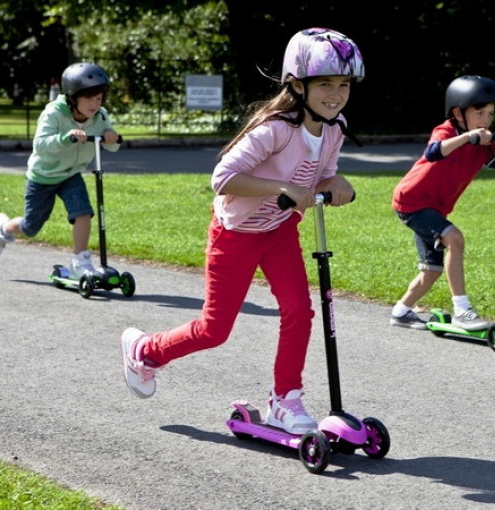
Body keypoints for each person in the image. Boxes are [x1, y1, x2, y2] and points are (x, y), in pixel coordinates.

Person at [120, 27, 363, 434]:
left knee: (300, 310)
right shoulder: (275, 130)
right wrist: (279, 188)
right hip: (235, 233)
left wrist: (334, 184)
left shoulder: (335, 128)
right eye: (325, 83)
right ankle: (146, 350)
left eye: (343, 84)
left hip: (280, 230)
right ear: (297, 84)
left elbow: (318, 179)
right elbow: (223, 177)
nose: (336, 93)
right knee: (214, 330)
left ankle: (285, 399)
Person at [390, 75, 495, 331]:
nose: (486, 120)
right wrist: (467, 137)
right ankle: (462, 310)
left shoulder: (483, 144)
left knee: (432, 269)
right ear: (458, 113)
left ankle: (401, 312)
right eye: (480, 113)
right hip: (412, 201)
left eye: (490, 114)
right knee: (455, 239)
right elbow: (433, 152)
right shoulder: (447, 131)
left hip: (433, 208)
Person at [0, 62, 121, 278]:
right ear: (72, 97)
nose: (95, 104)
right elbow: (41, 144)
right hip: (43, 176)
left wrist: (112, 136)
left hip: (71, 175)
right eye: (89, 98)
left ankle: (80, 261)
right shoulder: (54, 113)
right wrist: (66, 138)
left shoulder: (101, 116)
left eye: (99, 98)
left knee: (83, 213)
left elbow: (111, 144)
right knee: (31, 227)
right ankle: (3, 229)